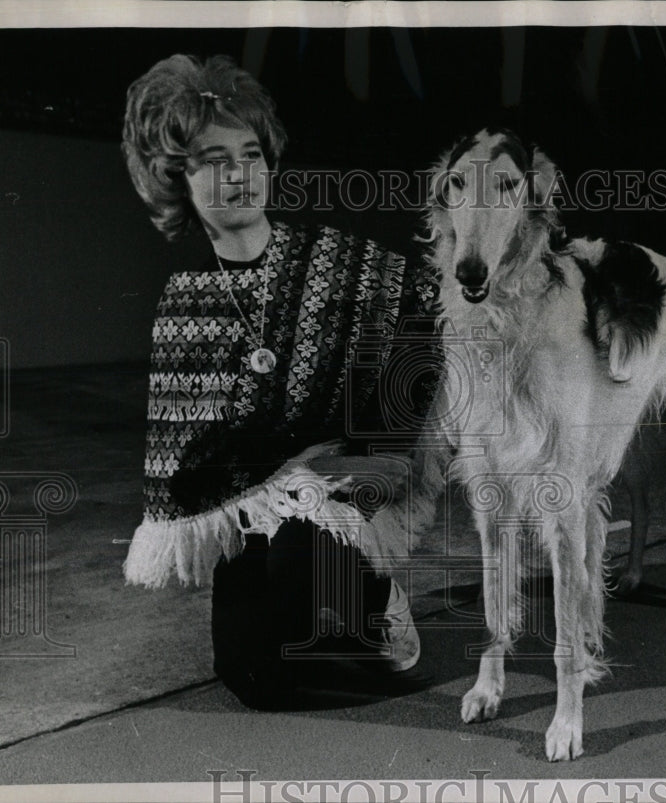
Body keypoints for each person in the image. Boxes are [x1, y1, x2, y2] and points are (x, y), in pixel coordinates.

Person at [120, 54, 439, 709]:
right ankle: (322, 614)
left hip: (347, 488)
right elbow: (186, 466)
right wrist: (246, 492)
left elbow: (429, 312)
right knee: (254, 678)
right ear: (177, 177)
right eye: (213, 159)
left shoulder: (334, 261)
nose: (237, 174)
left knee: (307, 572)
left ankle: (376, 601)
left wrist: (383, 453)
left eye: (250, 153)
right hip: (265, 502)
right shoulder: (187, 302)